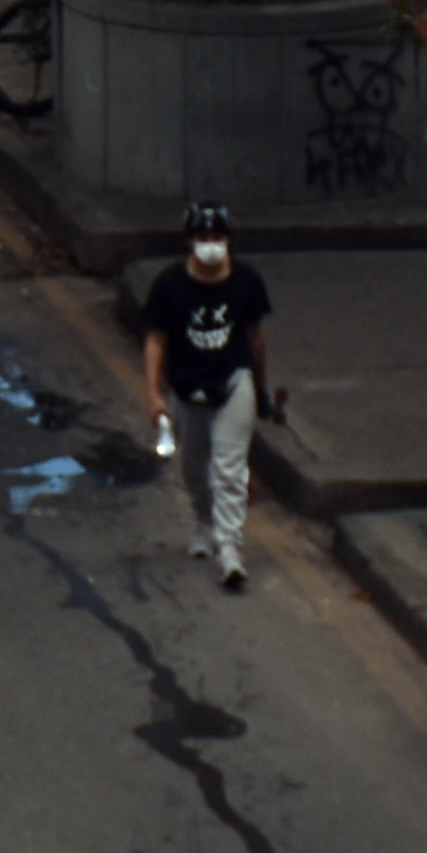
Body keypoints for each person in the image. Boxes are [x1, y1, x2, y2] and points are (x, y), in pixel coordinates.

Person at [138, 213, 273, 588]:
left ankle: (229, 548)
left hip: (233, 381)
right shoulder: (169, 286)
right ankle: (204, 520)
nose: (210, 243)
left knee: (229, 468)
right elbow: (156, 341)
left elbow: (256, 338)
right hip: (187, 387)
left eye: (216, 235)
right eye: (203, 236)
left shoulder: (247, 281)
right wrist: (152, 394)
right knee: (195, 466)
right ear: (190, 240)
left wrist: (260, 387)